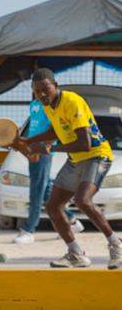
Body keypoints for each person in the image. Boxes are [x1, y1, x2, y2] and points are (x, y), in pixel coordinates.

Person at [16, 68, 122, 269]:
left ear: (55, 86)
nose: (42, 94)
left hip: (97, 155)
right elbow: (56, 129)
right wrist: (28, 140)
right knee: (53, 206)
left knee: (83, 200)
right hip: (76, 158)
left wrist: (48, 147)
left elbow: (86, 144)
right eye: (38, 91)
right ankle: (76, 253)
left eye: (46, 89)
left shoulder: (72, 101)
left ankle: (116, 244)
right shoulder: (47, 105)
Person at [14, 97, 83, 244]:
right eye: (34, 86)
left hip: (42, 152)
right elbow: (33, 129)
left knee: (36, 191)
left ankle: (29, 229)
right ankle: (71, 221)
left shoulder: (50, 106)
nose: (37, 91)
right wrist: (25, 147)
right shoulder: (33, 104)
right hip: (33, 150)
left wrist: (42, 150)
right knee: (44, 189)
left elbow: (55, 129)